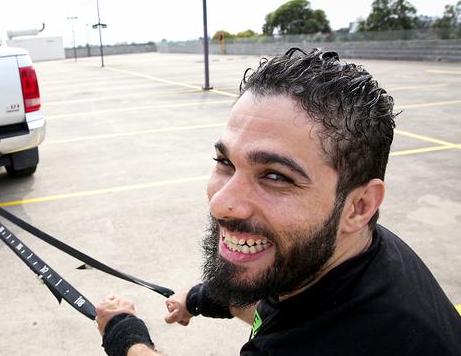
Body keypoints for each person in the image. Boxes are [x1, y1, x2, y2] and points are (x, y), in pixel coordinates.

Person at [94, 48, 461, 356]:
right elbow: (276, 294)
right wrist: (199, 300)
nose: (222, 204)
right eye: (225, 162)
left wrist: (124, 335)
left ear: (360, 205)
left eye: (276, 176)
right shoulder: (356, 250)